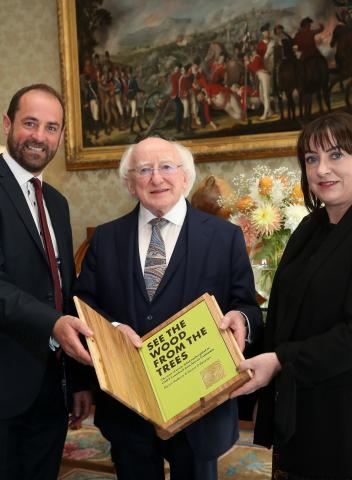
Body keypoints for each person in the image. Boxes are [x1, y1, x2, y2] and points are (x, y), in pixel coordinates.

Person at [232, 111, 352, 479]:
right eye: (312, 159)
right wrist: (246, 326)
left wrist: (280, 361)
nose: (321, 169)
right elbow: (291, 314)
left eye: (336, 155)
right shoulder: (310, 227)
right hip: (302, 414)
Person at [73, 137, 263, 480]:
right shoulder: (104, 239)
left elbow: (247, 306)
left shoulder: (226, 237)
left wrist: (241, 320)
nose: (156, 178)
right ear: (131, 184)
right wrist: (112, 329)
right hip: (129, 407)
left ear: (186, 178)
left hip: (200, 408)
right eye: (144, 170)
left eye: (166, 167)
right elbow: (84, 305)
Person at [0, 84, 94, 480]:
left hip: (49, 385)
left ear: (60, 136)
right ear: (8, 124)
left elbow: (64, 291)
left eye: (51, 127)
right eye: (30, 123)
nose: (40, 136)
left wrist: (76, 379)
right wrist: (54, 325)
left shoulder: (56, 202)